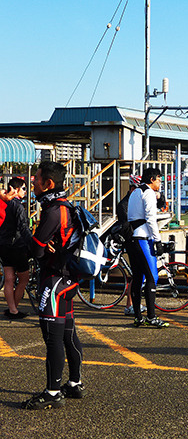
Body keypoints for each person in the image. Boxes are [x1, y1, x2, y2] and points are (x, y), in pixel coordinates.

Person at [21, 161, 85, 410]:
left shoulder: (52, 211)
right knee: (68, 333)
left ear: (48, 184)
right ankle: (75, 383)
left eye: (36, 179)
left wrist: (36, 242)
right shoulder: (66, 206)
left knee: (53, 337)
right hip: (68, 278)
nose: (33, 182)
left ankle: (52, 392)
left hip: (55, 280)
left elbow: (36, 250)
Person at [127, 167, 168, 328]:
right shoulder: (149, 193)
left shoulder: (135, 192)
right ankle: (151, 316)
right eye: (159, 180)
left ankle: (138, 316)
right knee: (152, 277)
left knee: (137, 278)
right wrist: (157, 241)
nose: (160, 183)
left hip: (132, 239)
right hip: (143, 238)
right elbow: (151, 218)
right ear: (152, 179)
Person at [114, 174, 146, 316]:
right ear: (132, 188)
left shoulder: (132, 201)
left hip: (136, 238)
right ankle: (129, 306)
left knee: (137, 274)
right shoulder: (124, 204)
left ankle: (134, 304)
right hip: (131, 240)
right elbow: (127, 223)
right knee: (134, 274)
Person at [0, 177, 33, 319]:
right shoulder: (18, 206)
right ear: (16, 189)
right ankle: (14, 309)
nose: (26, 192)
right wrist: (32, 243)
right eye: (24, 189)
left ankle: (12, 309)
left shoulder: (4, 203)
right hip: (17, 246)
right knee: (24, 278)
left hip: (3, 245)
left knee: (9, 279)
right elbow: (22, 227)